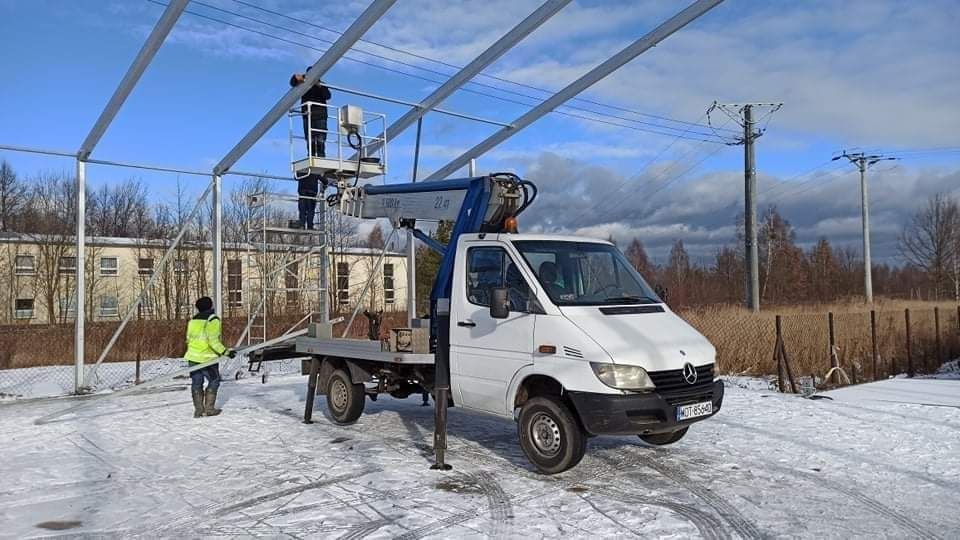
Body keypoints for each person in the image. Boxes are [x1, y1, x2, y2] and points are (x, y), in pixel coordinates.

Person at [184, 296, 236, 418]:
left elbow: (188, 339)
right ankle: (209, 409)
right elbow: (213, 342)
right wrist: (226, 352)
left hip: (193, 357)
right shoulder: (212, 320)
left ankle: (198, 410)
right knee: (214, 380)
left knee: (196, 382)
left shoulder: (192, 320)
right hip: (207, 358)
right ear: (211, 306)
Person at [289, 68, 331, 158]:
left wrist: (319, 85)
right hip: (307, 114)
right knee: (309, 137)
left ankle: (320, 156)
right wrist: (296, 78)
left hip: (320, 115)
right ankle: (311, 155)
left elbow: (327, 96)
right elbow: (293, 82)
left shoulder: (321, 84)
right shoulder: (303, 83)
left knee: (320, 138)